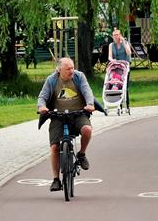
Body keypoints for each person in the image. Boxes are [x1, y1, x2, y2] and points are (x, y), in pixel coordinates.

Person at [37, 57, 95, 192]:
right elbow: (42, 96)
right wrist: (42, 107)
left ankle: (81, 154)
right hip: (58, 116)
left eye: (72, 67)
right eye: (68, 69)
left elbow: (87, 91)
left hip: (78, 114)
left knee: (87, 130)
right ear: (59, 70)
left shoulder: (79, 77)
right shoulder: (51, 80)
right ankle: (56, 179)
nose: (72, 71)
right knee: (55, 147)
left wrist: (90, 104)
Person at [108, 27, 133, 106]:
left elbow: (129, 53)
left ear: (120, 35)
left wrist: (124, 42)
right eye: (114, 35)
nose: (116, 36)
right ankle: (118, 102)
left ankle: (127, 104)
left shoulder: (125, 43)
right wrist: (112, 60)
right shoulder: (111, 45)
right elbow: (110, 57)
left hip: (125, 66)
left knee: (125, 86)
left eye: (117, 35)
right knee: (116, 83)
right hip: (116, 67)